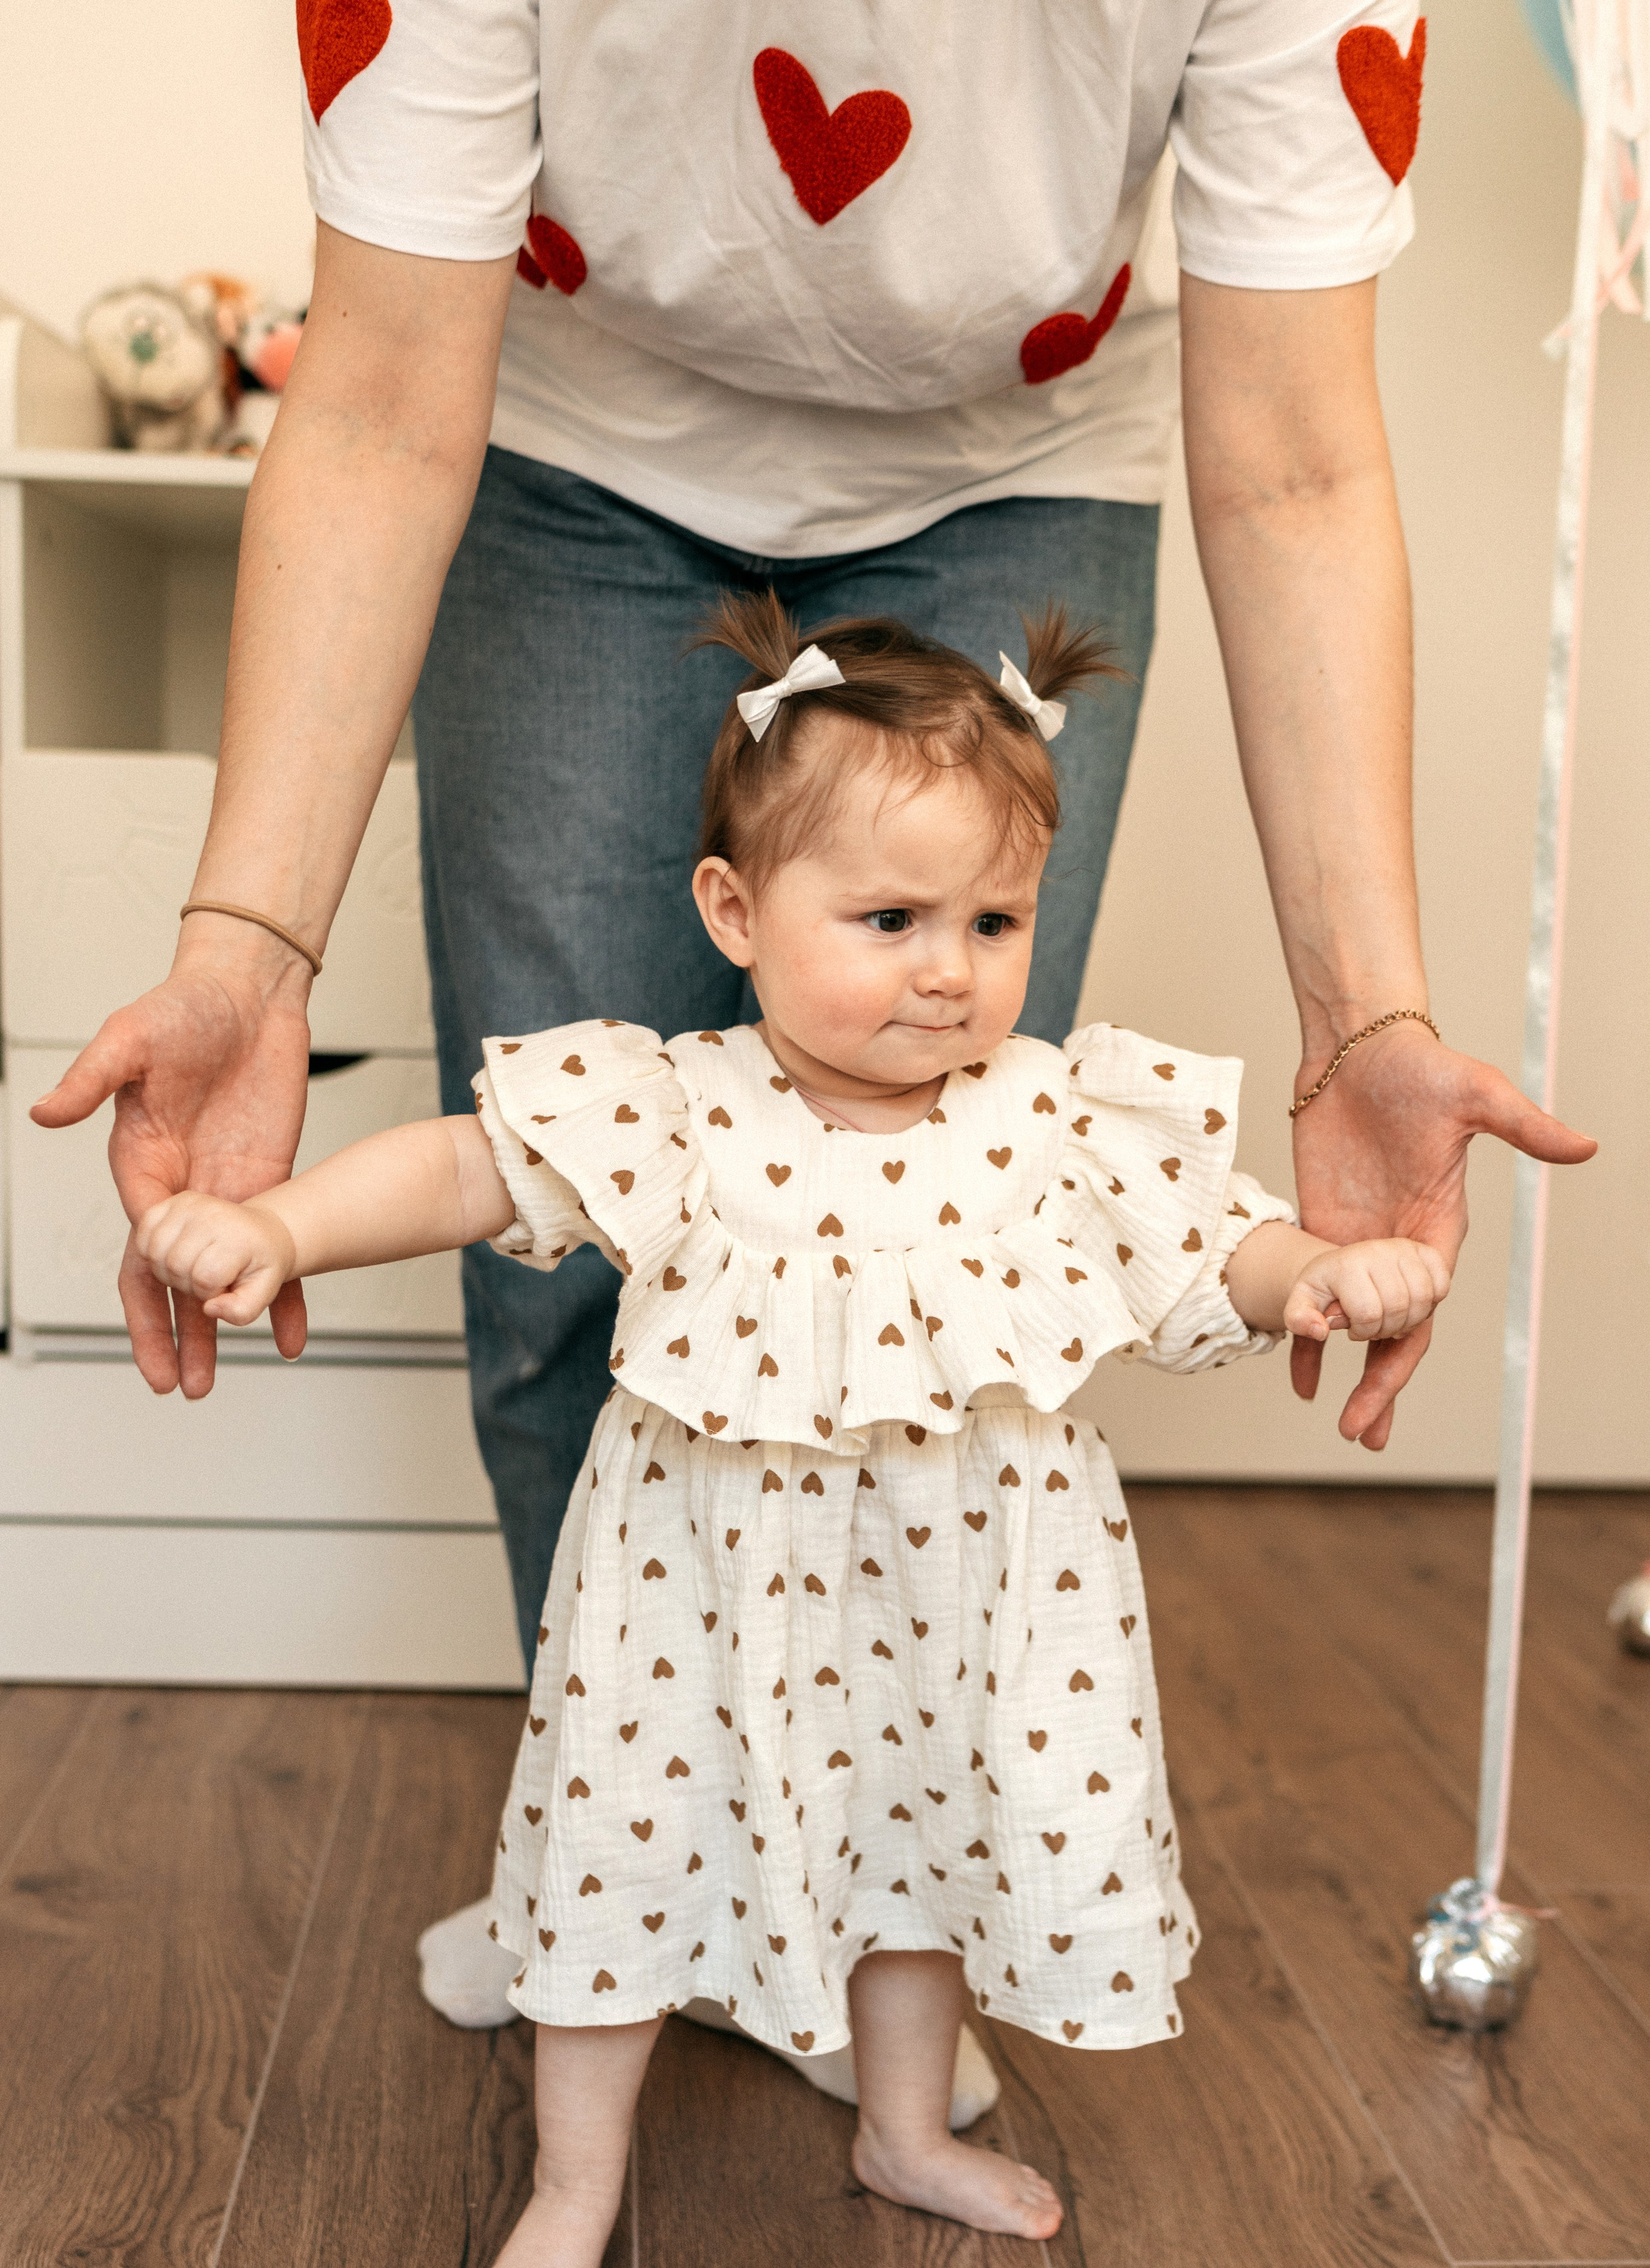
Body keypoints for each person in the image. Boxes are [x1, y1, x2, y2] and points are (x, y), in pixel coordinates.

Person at [32, 5, 1591, 2096]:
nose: (952, 962)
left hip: (1021, 466)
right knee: (563, 1301)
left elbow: (1300, 458)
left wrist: (1363, 1016)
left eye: (980, 933)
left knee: (943, 1305)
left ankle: (877, 1928)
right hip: (567, 450)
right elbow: (385, 400)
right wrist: (251, 945)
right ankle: (616, 1871)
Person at [130, 603, 1459, 2268]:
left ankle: (905, 2130)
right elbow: (466, 1171)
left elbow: (1216, 1245)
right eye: (892, 920)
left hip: (959, 1605)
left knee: (925, 1862)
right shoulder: (677, 1107)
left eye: (993, 922)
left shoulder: (1055, 1119)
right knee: (619, 1871)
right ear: (735, 914)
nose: (949, 971)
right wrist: (284, 1226)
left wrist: (1328, 1277)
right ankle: (574, 2185)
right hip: (693, 1607)